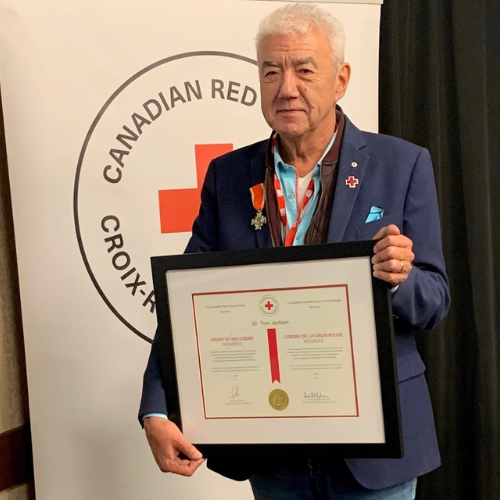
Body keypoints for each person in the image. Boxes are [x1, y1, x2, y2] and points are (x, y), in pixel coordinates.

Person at [139, 4, 450, 499]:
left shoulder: (402, 164)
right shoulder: (228, 176)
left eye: (305, 69)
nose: (287, 87)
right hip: (271, 445)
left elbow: (434, 299)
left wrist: (400, 278)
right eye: (271, 71)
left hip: (374, 454)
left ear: (341, 78)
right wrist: (156, 407)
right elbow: (183, 300)